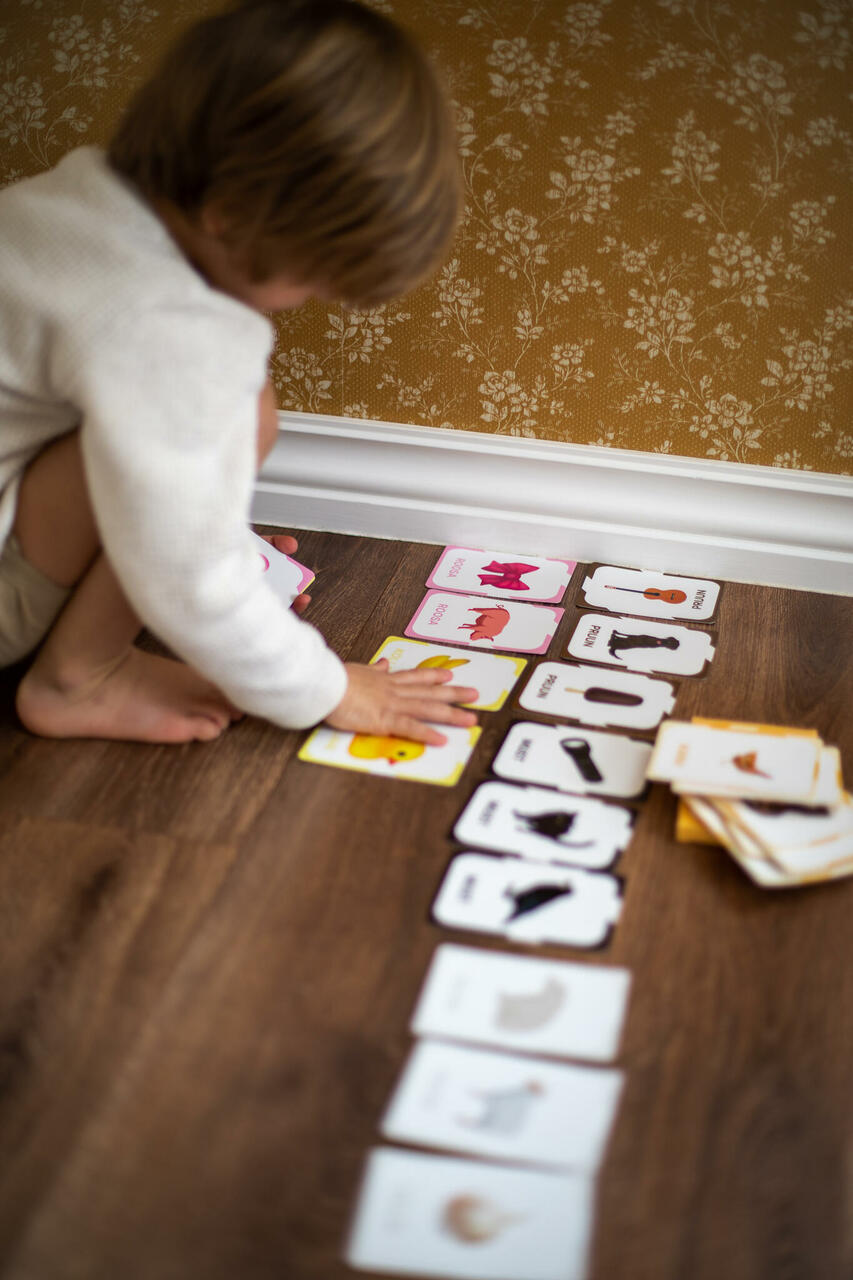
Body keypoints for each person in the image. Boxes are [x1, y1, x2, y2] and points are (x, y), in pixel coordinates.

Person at [0, 0, 479, 746]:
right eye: (309, 281)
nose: (300, 304)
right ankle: (79, 677)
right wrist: (328, 686)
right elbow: (187, 578)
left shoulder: (68, 202)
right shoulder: (171, 324)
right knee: (245, 412)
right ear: (226, 215)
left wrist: (212, 516)